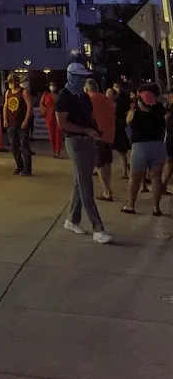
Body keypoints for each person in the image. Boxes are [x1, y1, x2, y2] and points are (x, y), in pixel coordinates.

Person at [55, 60, 112, 243]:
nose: (82, 81)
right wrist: (86, 130)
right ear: (72, 77)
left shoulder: (83, 96)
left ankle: (72, 219)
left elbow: (89, 118)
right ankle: (98, 227)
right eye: (79, 77)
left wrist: (95, 130)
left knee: (81, 182)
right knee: (86, 183)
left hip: (87, 141)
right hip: (75, 142)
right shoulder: (64, 97)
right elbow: (62, 123)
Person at [122, 83, 167, 216]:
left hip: (140, 148)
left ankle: (131, 205)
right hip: (158, 146)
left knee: (135, 178)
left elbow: (128, 121)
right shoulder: (160, 110)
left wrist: (135, 107)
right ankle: (156, 208)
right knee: (156, 178)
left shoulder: (135, 112)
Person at [85, 78, 116, 201]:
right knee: (107, 163)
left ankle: (107, 192)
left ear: (87, 89)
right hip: (109, 135)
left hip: (99, 135)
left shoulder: (90, 99)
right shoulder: (105, 99)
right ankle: (108, 188)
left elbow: (88, 116)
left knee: (99, 165)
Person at [3, 72, 33, 176]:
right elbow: (5, 106)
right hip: (11, 124)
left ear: (16, 82)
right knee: (14, 146)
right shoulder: (8, 92)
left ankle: (27, 169)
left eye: (11, 82)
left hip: (21, 123)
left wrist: (26, 120)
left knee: (24, 146)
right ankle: (19, 166)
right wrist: (5, 119)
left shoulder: (24, 92)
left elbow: (29, 106)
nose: (10, 85)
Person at [112, 81, 132, 180]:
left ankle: (127, 171)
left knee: (123, 150)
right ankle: (129, 169)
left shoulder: (118, 100)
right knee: (127, 149)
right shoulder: (126, 97)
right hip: (125, 124)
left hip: (121, 125)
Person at [40, 81, 63, 157]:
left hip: (58, 115)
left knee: (58, 134)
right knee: (51, 134)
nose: (52, 87)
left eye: (54, 85)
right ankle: (54, 150)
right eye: (51, 85)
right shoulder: (46, 94)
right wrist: (46, 110)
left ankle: (58, 152)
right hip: (49, 116)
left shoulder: (59, 95)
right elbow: (41, 104)